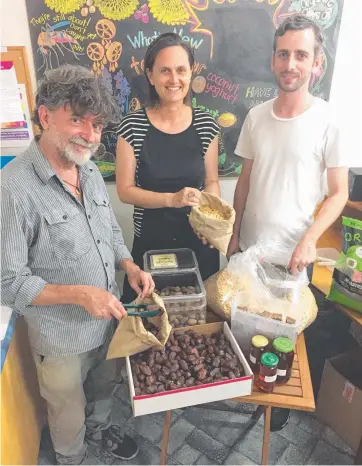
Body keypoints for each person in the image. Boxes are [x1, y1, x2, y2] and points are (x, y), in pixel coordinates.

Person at [1, 65, 155, 465]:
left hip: (108, 323)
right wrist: (80, 295)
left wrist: (129, 265)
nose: (90, 135)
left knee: (104, 388)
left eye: (97, 125)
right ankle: (73, 457)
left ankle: (102, 428)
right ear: (45, 116)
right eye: (76, 120)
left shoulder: (86, 169)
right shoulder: (13, 190)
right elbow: (7, 282)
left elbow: (109, 232)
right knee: (66, 417)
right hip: (60, 341)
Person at [227, 15, 349, 430]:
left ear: (317, 63)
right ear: (273, 59)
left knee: (283, 341)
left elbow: (339, 192)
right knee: (246, 329)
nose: (290, 64)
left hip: (293, 259)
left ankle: (275, 408)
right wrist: (233, 235)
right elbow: (244, 181)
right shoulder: (256, 116)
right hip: (250, 252)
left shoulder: (330, 121)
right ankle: (247, 389)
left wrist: (311, 239)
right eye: (284, 54)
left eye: (301, 54)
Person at [116, 32, 220, 303]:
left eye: (181, 70)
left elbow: (211, 182)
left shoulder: (206, 125)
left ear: (191, 73)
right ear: (150, 75)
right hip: (151, 244)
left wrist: (212, 223)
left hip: (199, 241)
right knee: (149, 320)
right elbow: (125, 191)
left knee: (198, 325)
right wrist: (171, 200)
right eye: (164, 71)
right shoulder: (132, 126)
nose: (174, 80)